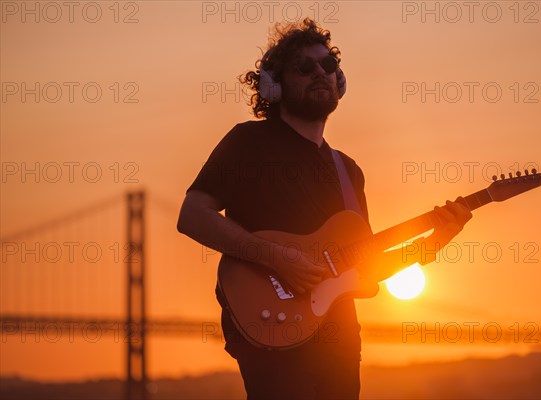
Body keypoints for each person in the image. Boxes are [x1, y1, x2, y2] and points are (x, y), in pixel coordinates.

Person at [177, 18, 472, 400]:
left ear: (340, 80)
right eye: (304, 66)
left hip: (340, 338)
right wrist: (278, 258)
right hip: (272, 324)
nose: (320, 72)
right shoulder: (248, 143)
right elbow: (192, 214)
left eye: (328, 66)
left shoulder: (348, 170)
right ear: (275, 85)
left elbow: (362, 266)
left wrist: (432, 245)